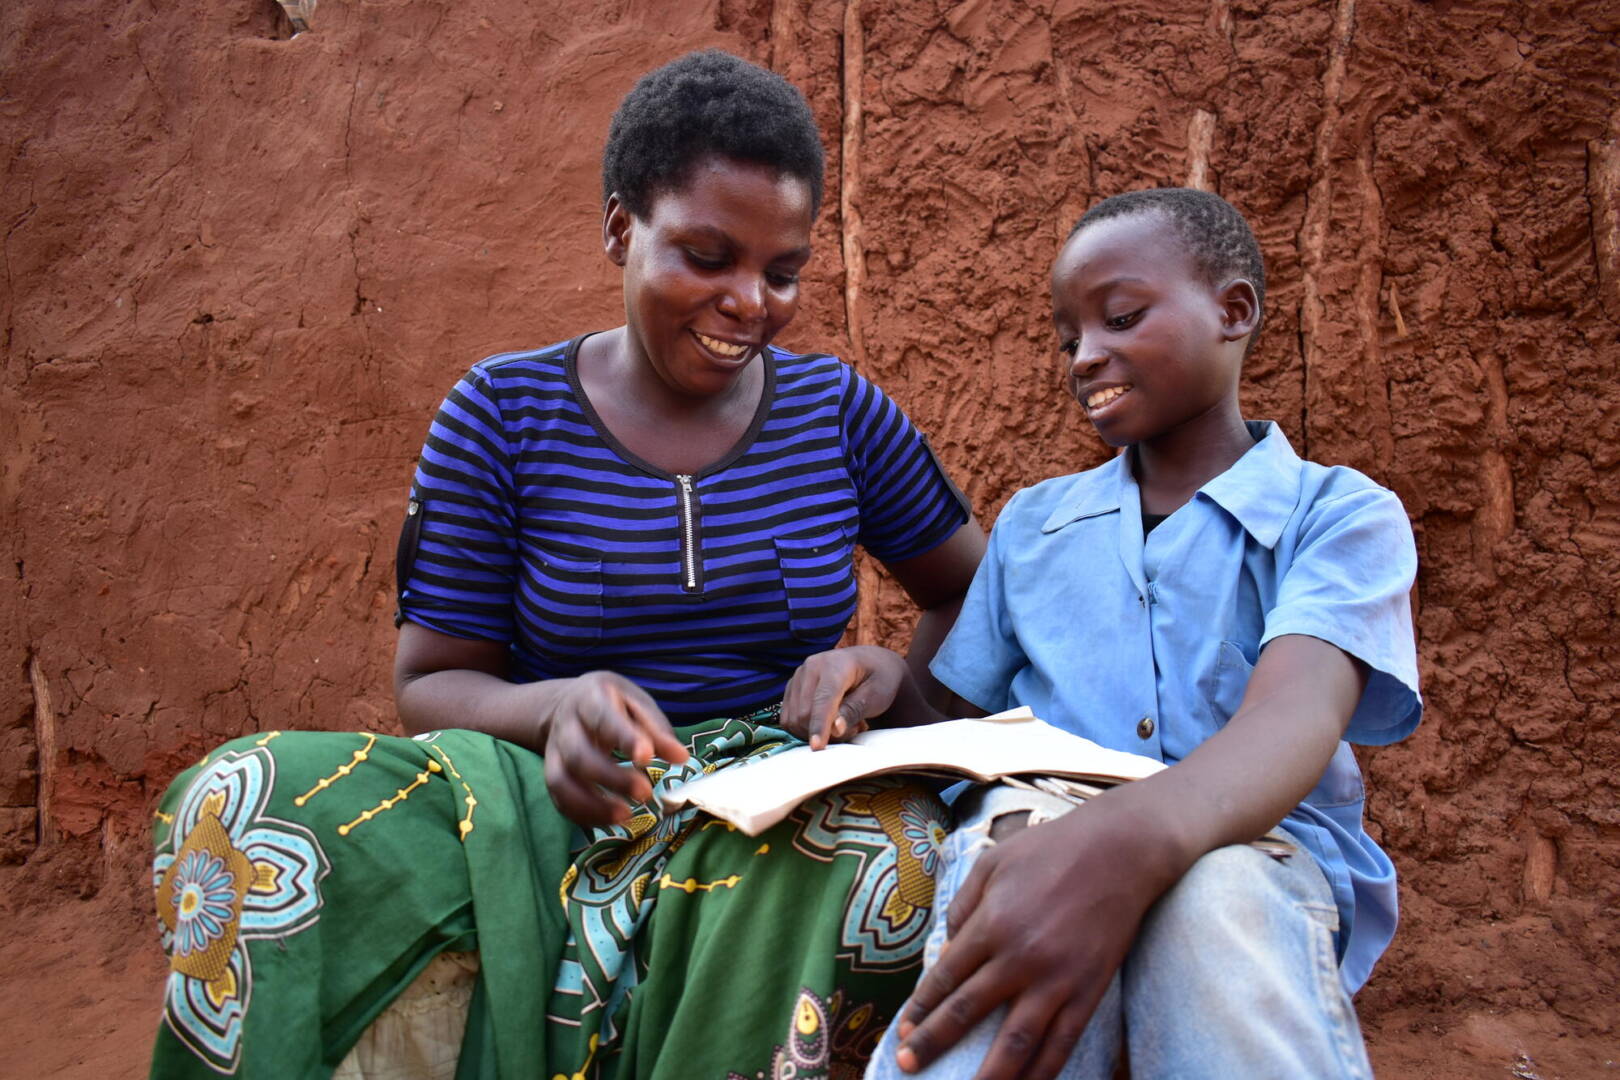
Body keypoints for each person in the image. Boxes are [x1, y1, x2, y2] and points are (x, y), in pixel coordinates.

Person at [148, 51, 983, 1080]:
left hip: (776, 810)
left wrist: (896, 676)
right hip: (549, 803)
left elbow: (968, 594)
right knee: (247, 799)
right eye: (707, 255)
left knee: (893, 852)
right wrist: (558, 708)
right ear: (622, 227)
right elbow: (429, 682)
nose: (748, 302)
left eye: (782, 271)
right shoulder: (501, 414)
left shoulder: (840, 417)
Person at [791, 188, 1421, 1079]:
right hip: (1043, 822)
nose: (1088, 355)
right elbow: (956, 724)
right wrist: (883, 676)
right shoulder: (1034, 527)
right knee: (1010, 852)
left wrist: (1120, 841)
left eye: (1121, 318)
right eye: (1067, 339)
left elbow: (1293, 720)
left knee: (1214, 894)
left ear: (1234, 311)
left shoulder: (1338, 516)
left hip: (1258, 856)